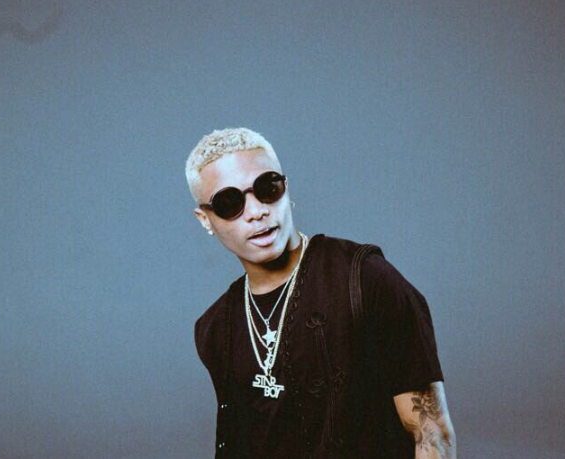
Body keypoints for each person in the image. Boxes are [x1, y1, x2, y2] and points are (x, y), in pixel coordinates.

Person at [186, 127, 456, 459]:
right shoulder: (215, 328)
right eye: (230, 203)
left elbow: (432, 434)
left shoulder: (366, 279)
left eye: (268, 188)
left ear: (286, 188)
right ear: (205, 219)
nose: (257, 212)